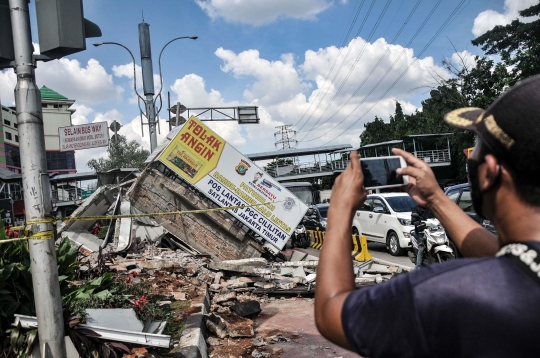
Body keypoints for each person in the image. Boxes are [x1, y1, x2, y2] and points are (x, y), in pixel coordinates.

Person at [314, 74, 540, 357]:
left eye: (476, 151)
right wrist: (435, 199)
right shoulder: (523, 274)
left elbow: (330, 311)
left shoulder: (445, 292)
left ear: (489, 172)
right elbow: (513, 260)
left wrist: (339, 212)